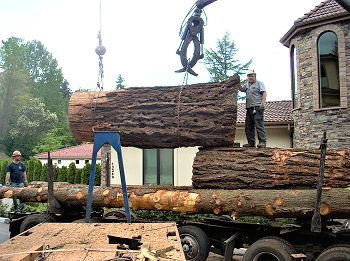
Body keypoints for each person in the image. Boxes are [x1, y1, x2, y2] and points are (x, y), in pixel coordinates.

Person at [238, 69, 267, 148]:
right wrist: (238, 80)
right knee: (248, 126)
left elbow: (264, 92)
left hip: (257, 107)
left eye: (252, 76)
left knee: (259, 125)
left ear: (255, 76)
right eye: (249, 76)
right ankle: (251, 142)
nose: (250, 77)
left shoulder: (259, 83)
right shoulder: (247, 84)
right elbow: (241, 89)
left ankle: (262, 142)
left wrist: (263, 103)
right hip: (249, 108)